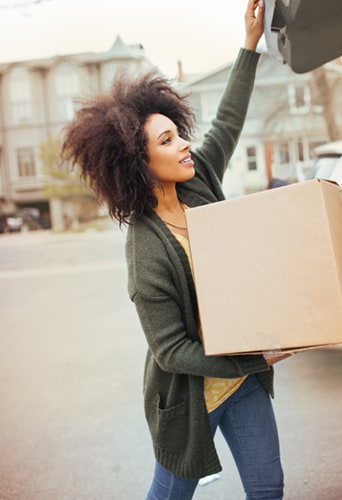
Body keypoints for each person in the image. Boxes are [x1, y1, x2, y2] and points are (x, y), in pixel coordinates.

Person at [61, 1, 286, 498]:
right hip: (187, 400)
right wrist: (255, 360)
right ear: (139, 162)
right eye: (168, 139)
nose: (185, 143)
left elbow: (227, 120)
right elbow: (171, 350)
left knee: (269, 489)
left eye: (179, 131)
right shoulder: (146, 251)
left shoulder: (198, 178)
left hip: (242, 382)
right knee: (169, 494)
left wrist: (248, 45)